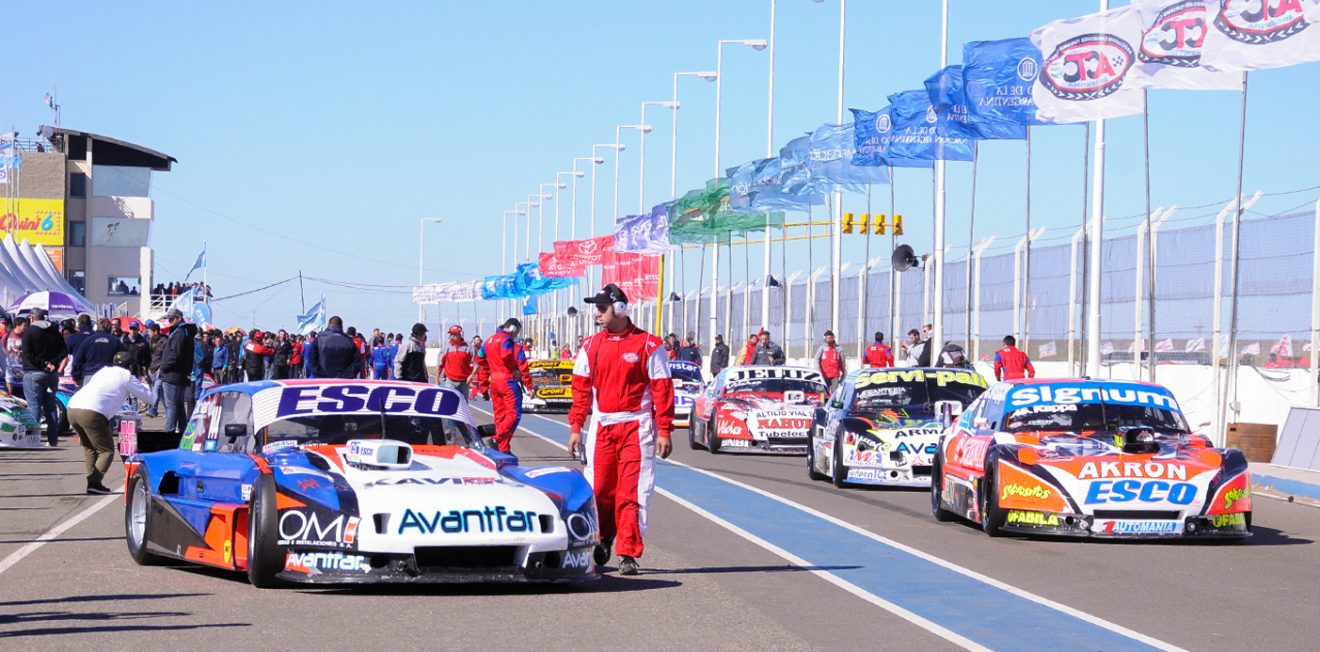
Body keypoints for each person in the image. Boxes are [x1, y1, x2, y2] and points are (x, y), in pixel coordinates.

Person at [567, 284, 674, 576]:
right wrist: (576, 426)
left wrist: (664, 429)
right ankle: (603, 536)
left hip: (637, 428)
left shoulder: (649, 345)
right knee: (600, 490)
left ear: (621, 308)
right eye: (596, 307)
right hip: (602, 426)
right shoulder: (590, 346)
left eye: (603, 307)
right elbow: (580, 390)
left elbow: (663, 390)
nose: (597, 312)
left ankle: (628, 553)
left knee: (632, 493)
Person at [69, 351, 153, 495]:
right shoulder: (126, 376)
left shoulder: (103, 371)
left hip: (73, 407)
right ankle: (94, 482)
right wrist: (146, 382)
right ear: (131, 366)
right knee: (106, 451)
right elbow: (149, 398)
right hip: (92, 412)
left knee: (90, 447)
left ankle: (93, 482)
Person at [478, 318, 531, 453]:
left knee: (500, 417)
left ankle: (503, 449)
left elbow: (480, 359)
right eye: (516, 332)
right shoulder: (509, 342)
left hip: (494, 382)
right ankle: (496, 439)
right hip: (508, 381)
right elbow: (517, 363)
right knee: (513, 415)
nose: (516, 335)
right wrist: (528, 386)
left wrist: (483, 388)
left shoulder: (488, 341)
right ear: (513, 328)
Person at [22, 308, 66, 447]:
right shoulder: (54, 331)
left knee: (34, 406)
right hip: (51, 374)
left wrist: (43, 364)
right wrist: (52, 363)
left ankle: (32, 440)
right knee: (51, 407)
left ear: (33, 318)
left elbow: (27, 354)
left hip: (34, 372)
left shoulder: (29, 331)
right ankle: (53, 440)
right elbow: (64, 351)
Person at [158, 309, 197, 436]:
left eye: (172, 319)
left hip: (173, 374)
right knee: (178, 405)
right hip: (178, 373)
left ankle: (169, 432)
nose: (169, 321)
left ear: (179, 318)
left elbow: (175, 354)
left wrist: (164, 367)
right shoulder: (183, 332)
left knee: (172, 405)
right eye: (168, 319)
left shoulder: (180, 332)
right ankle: (184, 432)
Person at [72, 318, 123, 386]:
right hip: (109, 376)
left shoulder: (88, 341)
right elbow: (123, 359)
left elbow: (77, 360)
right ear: (109, 328)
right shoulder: (115, 341)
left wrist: (76, 377)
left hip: (90, 376)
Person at [439, 325, 474, 396]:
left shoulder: (469, 347)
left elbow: (476, 362)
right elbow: (440, 363)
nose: (452, 336)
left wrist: (472, 375)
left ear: (460, 334)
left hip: (464, 381)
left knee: (463, 403)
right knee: (450, 401)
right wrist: (437, 378)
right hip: (450, 380)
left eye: (454, 334)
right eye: (451, 334)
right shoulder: (446, 347)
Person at [146, 323, 166, 417]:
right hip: (151, 370)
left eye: (150, 331)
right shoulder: (149, 340)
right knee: (161, 392)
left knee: (156, 390)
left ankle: (152, 410)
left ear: (156, 332)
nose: (148, 333)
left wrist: (161, 367)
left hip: (160, 370)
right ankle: (168, 411)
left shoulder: (164, 341)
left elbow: (167, 356)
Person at [5, 317, 26, 395]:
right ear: (18, 325)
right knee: (9, 381)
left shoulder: (26, 336)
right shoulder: (8, 335)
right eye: (24, 325)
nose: (25, 327)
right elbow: (3, 348)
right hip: (10, 366)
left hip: (22, 367)